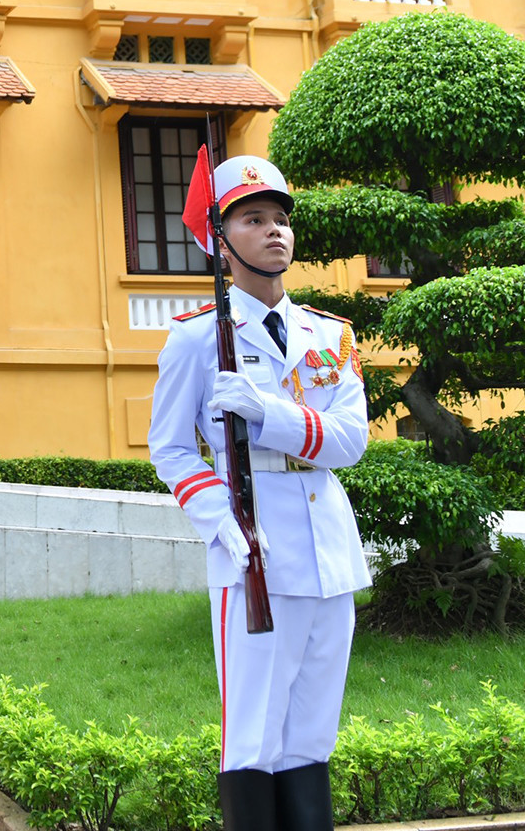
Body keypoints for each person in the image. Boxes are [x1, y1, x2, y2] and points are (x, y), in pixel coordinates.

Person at [148, 155, 369, 831]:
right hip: (254, 550)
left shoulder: (329, 335)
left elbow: (350, 440)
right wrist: (224, 523)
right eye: (252, 219)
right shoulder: (194, 338)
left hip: (330, 549)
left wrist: (267, 412)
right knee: (253, 736)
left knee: (312, 732)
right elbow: (172, 447)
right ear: (221, 239)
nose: (274, 231)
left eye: (280, 219)